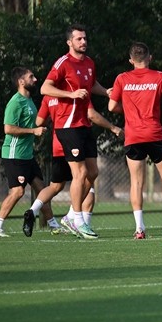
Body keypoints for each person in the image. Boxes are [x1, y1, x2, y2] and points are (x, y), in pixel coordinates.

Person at [39, 24, 116, 238]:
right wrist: (70, 95)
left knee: (92, 173)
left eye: (84, 38)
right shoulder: (63, 63)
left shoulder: (89, 63)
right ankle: (78, 220)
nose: (83, 42)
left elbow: (90, 85)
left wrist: (106, 92)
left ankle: (71, 215)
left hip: (84, 125)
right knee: (80, 173)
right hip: (67, 125)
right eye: (79, 39)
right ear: (69, 42)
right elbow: (44, 88)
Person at [108, 42, 162, 239]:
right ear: (150, 58)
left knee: (136, 182)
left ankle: (140, 228)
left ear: (131, 60)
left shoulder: (122, 79)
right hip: (155, 134)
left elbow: (111, 106)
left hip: (133, 136)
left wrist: (128, 110)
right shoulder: (160, 77)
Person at [22, 97, 104, 237]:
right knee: (87, 180)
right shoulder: (74, 93)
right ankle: (77, 221)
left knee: (55, 186)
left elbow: (39, 121)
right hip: (74, 143)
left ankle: (33, 210)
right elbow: (91, 114)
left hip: (58, 146)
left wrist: (52, 118)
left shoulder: (48, 97)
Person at [0, 67, 48, 237]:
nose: (35, 79)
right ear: (21, 82)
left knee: (42, 189)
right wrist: (33, 131)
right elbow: (8, 129)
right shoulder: (15, 102)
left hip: (27, 155)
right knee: (18, 192)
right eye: (31, 77)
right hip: (14, 154)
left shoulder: (29, 101)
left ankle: (54, 226)